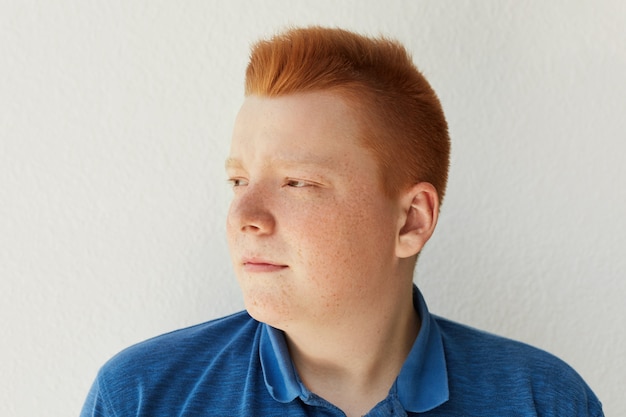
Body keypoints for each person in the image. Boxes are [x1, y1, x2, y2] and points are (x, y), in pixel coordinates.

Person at [80, 26, 603, 417]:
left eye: (297, 182)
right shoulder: (141, 397)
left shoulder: (547, 401)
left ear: (410, 222)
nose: (244, 216)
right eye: (238, 182)